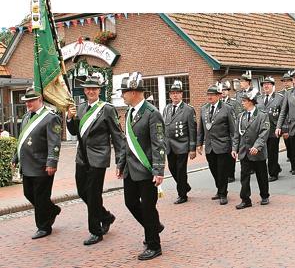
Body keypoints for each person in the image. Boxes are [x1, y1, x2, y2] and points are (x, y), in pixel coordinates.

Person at [67, 74, 125, 245]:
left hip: (98, 157)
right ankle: (106, 216)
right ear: (84, 91)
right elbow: (73, 132)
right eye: (88, 89)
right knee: (82, 192)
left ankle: (96, 231)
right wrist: (69, 118)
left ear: (99, 90)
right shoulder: (80, 108)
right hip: (81, 157)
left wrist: (120, 161)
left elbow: (117, 135)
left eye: (94, 89)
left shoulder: (107, 108)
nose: (91, 91)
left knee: (93, 194)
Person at [116, 72, 166, 261]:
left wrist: (159, 170)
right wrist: (121, 164)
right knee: (130, 202)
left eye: (124, 92)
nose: (122, 95)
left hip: (146, 170)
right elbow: (125, 142)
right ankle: (154, 226)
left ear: (134, 92)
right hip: (130, 169)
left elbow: (159, 143)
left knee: (148, 208)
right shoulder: (129, 112)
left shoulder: (152, 114)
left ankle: (154, 245)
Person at [11, 87, 62, 239]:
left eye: (31, 100)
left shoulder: (50, 117)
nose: (28, 104)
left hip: (42, 165)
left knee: (40, 197)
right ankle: (52, 210)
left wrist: (52, 162)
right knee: (29, 193)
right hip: (27, 165)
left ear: (40, 100)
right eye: (26, 101)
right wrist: (15, 157)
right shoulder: (27, 117)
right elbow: (22, 139)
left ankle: (44, 227)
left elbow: (54, 142)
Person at [197, 83, 236, 205]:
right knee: (213, 169)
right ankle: (219, 189)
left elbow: (233, 130)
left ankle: (223, 193)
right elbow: (201, 128)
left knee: (222, 171)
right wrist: (199, 143)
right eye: (208, 94)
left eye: (212, 95)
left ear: (219, 96)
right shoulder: (204, 109)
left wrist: (234, 147)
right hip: (209, 146)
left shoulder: (227, 108)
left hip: (223, 145)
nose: (210, 97)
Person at [232, 88, 270, 209]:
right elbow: (236, 134)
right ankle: (245, 199)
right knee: (244, 176)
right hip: (244, 151)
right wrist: (234, 148)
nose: (242, 102)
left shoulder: (262, 115)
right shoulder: (240, 116)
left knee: (261, 175)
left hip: (257, 152)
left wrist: (257, 146)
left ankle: (264, 196)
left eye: (244, 100)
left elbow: (264, 133)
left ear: (251, 101)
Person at [162, 80, 197, 204]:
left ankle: (182, 195)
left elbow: (192, 130)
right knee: (172, 168)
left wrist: (192, 148)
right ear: (170, 95)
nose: (175, 95)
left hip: (182, 145)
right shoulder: (166, 108)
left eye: (177, 93)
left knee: (181, 170)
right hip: (169, 145)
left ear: (182, 94)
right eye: (172, 93)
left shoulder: (188, 110)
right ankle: (185, 186)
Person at [257, 76, 284, 182]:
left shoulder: (279, 98)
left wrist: (282, 128)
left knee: (272, 152)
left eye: (268, 84)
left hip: (274, 129)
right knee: (263, 152)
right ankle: (275, 168)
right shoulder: (258, 98)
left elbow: (283, 113)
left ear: (273, 86)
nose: (266, 86)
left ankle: (273, 173)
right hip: (261, 130)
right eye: (264, 85)